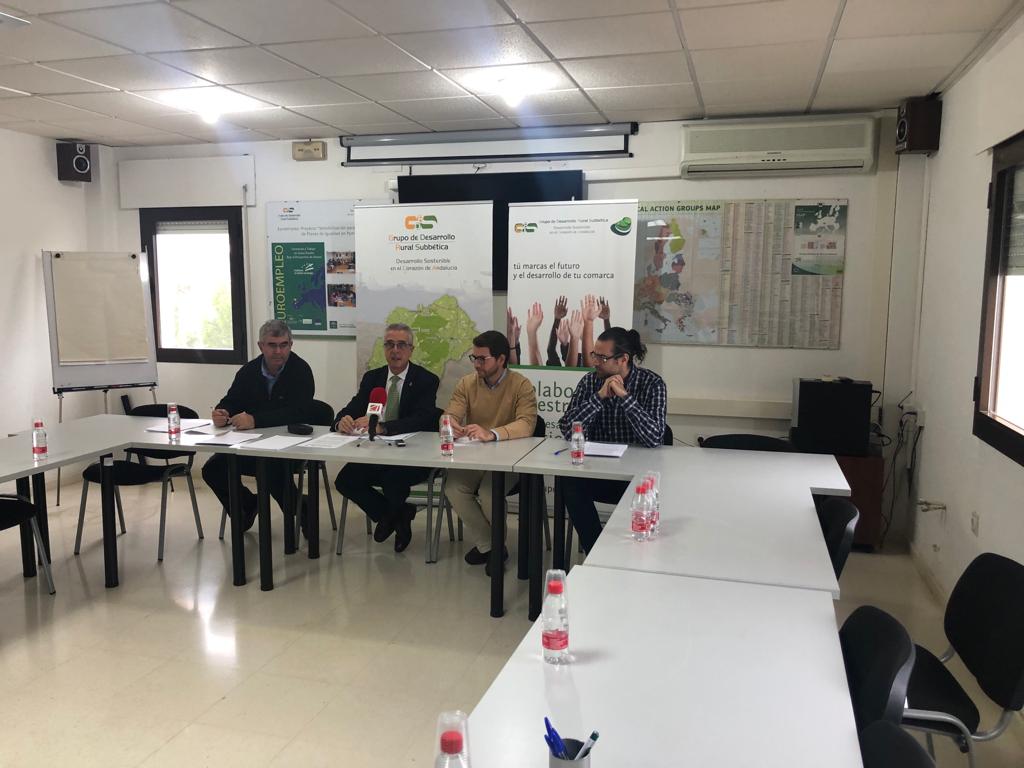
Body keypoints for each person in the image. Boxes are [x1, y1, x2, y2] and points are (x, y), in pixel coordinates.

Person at [557, 327, 667, 553]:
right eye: (594, 355)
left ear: (623, 359)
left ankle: (630, 554)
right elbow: (568, 429)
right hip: (599, 473)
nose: (595, 362)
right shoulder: (590, 382)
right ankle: (596, 551)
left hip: (636, 479)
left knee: (645, 497)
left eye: (602, 358)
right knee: (569, 482)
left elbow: (654, 437)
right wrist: (599, 397)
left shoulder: (652, 384)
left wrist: (625, 397)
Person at [332, 323, 440, 552]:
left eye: (401, 345)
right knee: (345, 480)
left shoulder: (426, 380)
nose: (395, 350)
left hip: (414, 455)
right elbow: (352, 407)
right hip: (377, 453)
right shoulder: (373, 378)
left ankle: (393, 517)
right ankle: (396, 515)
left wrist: (383, 427)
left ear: (411, 349)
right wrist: (341, 421)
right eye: (390, 344)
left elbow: (421, 419)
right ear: (384, 348)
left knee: (393, 480)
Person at [202, 319, 314, 531]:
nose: (278, 351)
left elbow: (300, 411)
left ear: (291, 345)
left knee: (270, 469)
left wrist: (255, 420)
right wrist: (222, 411)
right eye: (272, 345)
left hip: (290, 446)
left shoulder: (301, 370)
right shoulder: (249, 371)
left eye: (283, 345)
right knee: (213, 469)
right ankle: (247, 504)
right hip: (251, 445)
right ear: (261, 346)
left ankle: (302, 509)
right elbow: (232, 400)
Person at [443, 330, 537, 573]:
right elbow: (451, 413)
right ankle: (492, 546)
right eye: (474, 358)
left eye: (482, 359)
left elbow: (527, 423)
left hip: (510, 459)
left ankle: (491, 547)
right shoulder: (466, 383)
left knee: (488, 492)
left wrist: (492, 433)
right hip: (476, 455)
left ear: (501, 359)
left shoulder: (521, 385)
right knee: (453, 488)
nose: (476, 364)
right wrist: (450, 423)